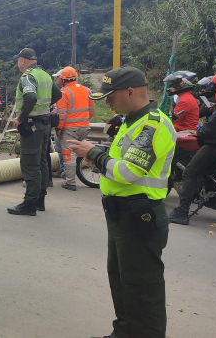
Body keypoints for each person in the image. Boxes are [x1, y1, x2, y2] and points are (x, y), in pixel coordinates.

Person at [68, 66, 176, 338]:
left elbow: (128, 172)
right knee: (122, 284)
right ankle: (124, 332)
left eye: (110, 95)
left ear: (130, 91)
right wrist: (101, 153)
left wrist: (93, 152)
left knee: (142, 290)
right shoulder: (131, 121)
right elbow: (122, 160)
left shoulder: (153, 124)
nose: (107, 101)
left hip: (139, 218)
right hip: (121, 216)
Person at [168, 72, 216, 225]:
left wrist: (199, 131)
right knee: (203, 171)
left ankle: (181, 212)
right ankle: (201, 194)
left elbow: (212, 128)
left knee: (190, 172)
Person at [7, 48, 61, 216]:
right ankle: (40, 201)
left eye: (18, 60)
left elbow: (30, 97)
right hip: (45, 125)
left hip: (32, 126)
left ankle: (29, 203)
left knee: (30, 164)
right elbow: (57, 94)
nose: (18, 63)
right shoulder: (45, 74)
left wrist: (20, 118)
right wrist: (44, 108)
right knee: (42, 162)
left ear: (22, 60)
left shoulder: (27, 77)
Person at [55, 67, 94, 191]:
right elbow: (91, 110)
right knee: (82, 151)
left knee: (68, 154)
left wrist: (59, 129)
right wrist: (84, 121)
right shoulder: (87, 90)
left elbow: (62, 114)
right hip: (84, 127)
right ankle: (97, 166)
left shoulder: (64, 92)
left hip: (70, 129)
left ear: (63, 79)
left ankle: (70, 182)